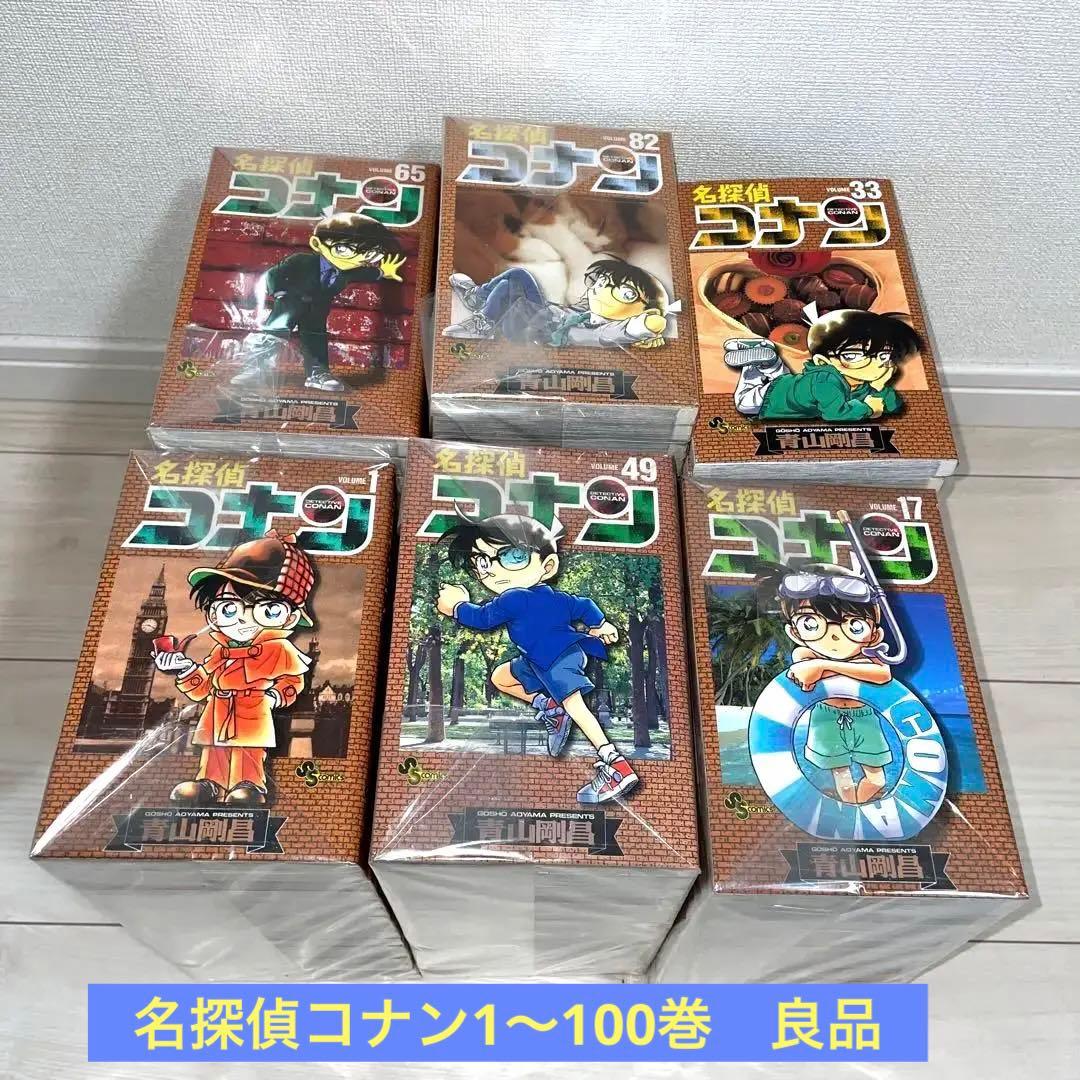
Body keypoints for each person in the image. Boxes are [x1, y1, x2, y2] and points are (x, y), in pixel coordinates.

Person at [434, 511, 639, 804]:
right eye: (481, 561)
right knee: (501, 677)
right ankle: (551, 709)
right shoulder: (556, 598)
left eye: (512, 556)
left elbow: (482, 618)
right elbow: (584, 605)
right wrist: (600, 623)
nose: (491, 570)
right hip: (537, 661)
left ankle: (616, 765)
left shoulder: (513, 598)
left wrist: (456, 607)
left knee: (576, 706)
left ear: (548, 565)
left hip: (558, 657)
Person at [151, 530, 315, 806]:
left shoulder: (279, 649)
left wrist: (275, 696)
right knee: (214, 751)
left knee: (248, 751)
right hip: (218, 710)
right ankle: (210, 783)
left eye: (267, 610)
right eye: (228, 609)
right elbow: (203, 688)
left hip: (253, 708)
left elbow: (292, 681)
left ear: (290, 617)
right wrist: (184, 668)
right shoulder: (221, 651)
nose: (241, 620)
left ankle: (249, 784)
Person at [231, 213, 406, 392]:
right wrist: (278, 292)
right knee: (274, 332)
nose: (357, 258)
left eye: (370, 253)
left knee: (315, 338)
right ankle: (253, 368)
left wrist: (383, 272)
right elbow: (273, 274)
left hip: (317, 310)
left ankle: (317, 373)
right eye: (344, 249)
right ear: (317, 244)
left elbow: (366, 273)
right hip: (290, 305)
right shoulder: (302, 260)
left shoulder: (348, 271)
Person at [772, 562, 894, 804]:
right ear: (795, 633)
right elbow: (804, 670)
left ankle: (856, 805)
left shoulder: (867, 658)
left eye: (854, 625)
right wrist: (826, 667)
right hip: (826, 718)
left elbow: (883, 674)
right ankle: (851, 809)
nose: (834, 635)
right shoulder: (804, 654)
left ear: (874, 634)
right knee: (842, 777)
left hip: (865, 718)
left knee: (877, 780)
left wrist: (824, 666)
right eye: (811, 624)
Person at [727, 307, 922, 422]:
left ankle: (769, 359)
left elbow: (894, 406)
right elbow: (835, 414)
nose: (875, 363)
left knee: (781, 376)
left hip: (790, 384)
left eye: (883, 355)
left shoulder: (863, 382)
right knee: (743, 402)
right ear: (823, 362)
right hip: (772, 397)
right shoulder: (825, 380)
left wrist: (880, 387)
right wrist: (868, 409)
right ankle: (755, 364)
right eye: (853, 356)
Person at [442, 256, 674, 350]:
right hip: (541, 315)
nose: (603, 289)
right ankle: (480, 302)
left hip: (535, 332)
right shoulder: (584, 311)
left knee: (514, 282)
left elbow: (629, 329)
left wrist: (649, 324)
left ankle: (481, 314)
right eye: (603, 281)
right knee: (515, 278)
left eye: (626, 294)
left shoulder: (603, 330)